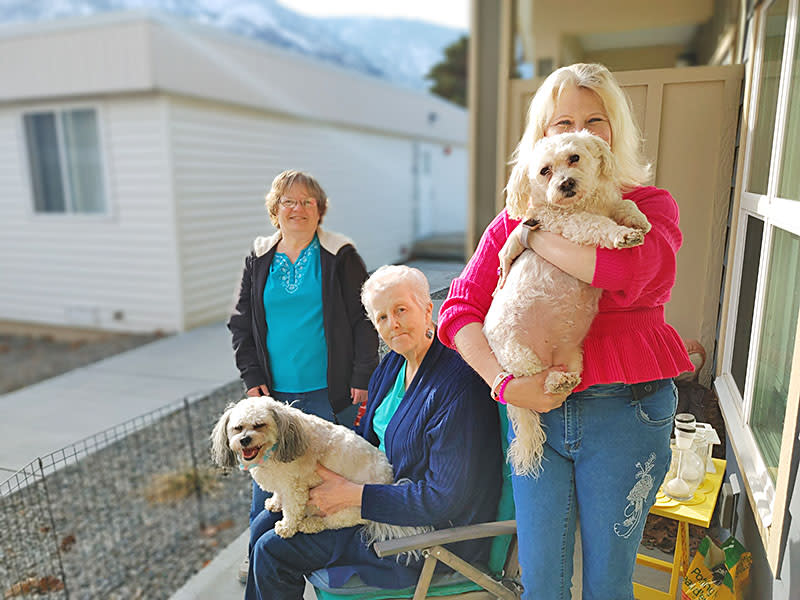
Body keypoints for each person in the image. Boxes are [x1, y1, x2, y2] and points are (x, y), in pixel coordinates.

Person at [438, 63, 695, 600]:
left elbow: (626, 272)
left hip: (625, 409)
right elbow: (458, 310)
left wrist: (534, 238)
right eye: (562, 122)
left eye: (594, 120)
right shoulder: (517, 211)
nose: (577, 130)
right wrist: (504, 384)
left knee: (608, 584)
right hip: (535, 410)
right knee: (541, 585)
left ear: (611, 133)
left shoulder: (648, 206)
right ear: (543, 136)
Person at [245, 265, 503, 599]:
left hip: (424, 536)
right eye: (381, 317)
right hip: (378, 500)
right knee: (264, 523)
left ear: (427, 310)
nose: (392, 324)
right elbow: (363, 442)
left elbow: (445, 499)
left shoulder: (456, 385)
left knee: (273, 550)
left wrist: (351, 495)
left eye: (401, 310)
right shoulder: (394, 364)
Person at [228, 169, 379, 579]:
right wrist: (251, 374)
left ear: (320, 210)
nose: (298, 209)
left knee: (334, 474)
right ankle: (261, 555)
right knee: (267, 481)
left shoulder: (339, 254)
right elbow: (241, 322)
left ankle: (343, 560)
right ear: (275, 210)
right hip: (273, 398)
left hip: (332, 394)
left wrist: (363, 375)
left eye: (307, 202)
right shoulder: (259, 258)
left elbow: (365, 320)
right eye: (288, 202)